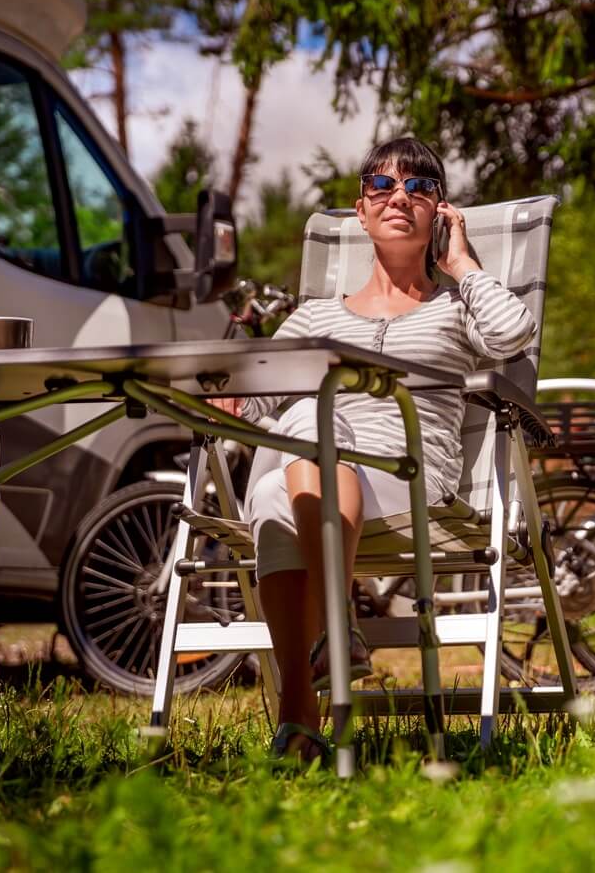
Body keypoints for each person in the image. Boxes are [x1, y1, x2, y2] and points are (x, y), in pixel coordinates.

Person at [212, 137, 535, 764]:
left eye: (419, 188)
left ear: (439, 212)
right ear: (360, 211)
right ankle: (305, 709)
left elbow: (514, 333)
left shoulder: (455, 310)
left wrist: (463, 263)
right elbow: (252, 405)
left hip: (410, 480)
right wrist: (225, 397)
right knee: (288, 465)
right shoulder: (313, 317)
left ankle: (323, 661)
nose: (399, 197)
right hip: (313, 474)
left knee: (302, 432)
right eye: (382, 186)